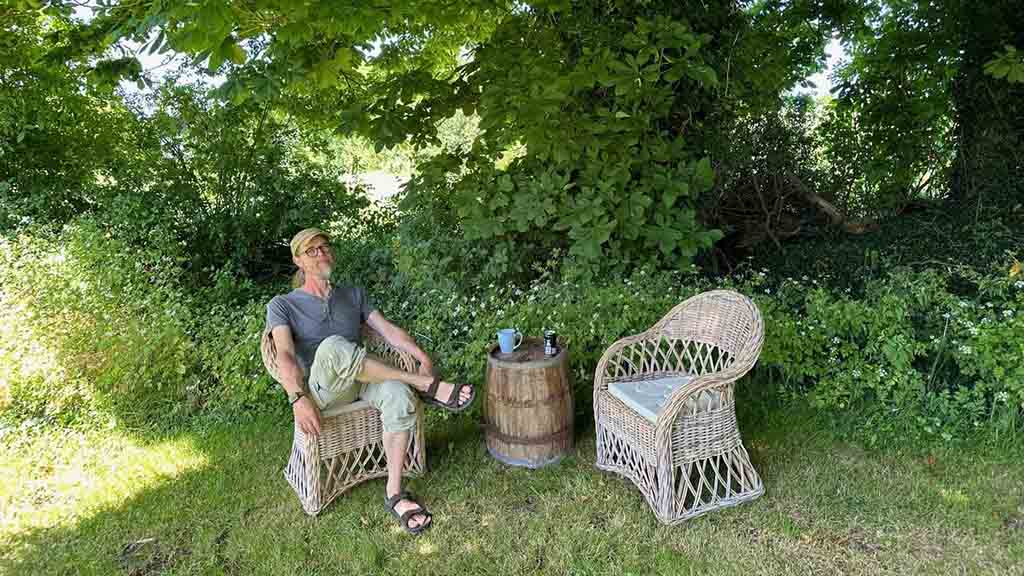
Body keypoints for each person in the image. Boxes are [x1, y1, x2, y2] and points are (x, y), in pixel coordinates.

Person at [265, 227, 474, 534]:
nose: (322, 253)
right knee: (334, 346)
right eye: (312, 250)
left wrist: (421, 354)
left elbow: (387, 330)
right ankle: (423, 384)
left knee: (399, 396)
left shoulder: (352, 294)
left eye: (325, 247)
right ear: (298, 260)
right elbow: (283, 354)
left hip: (361, 379)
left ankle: (394, 493)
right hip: (324, 390)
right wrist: (297, 397)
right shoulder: (283, 304)